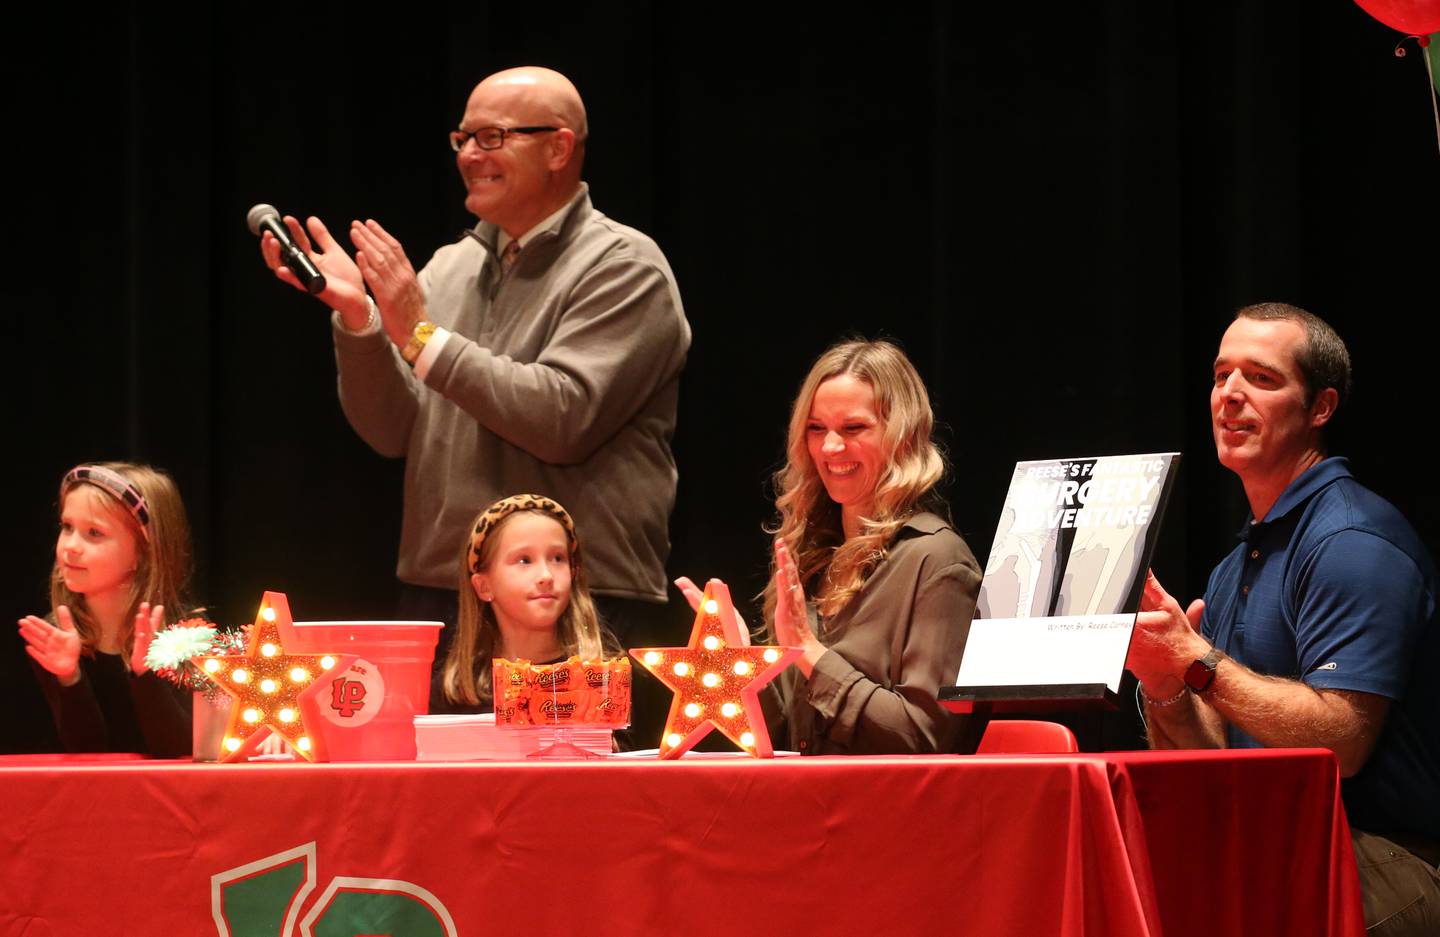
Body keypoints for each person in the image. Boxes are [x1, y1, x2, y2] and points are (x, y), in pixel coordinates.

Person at [257, 66, 691, 700]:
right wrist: (362, 321)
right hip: (444, 599)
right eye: (461, 138)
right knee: (439, 799)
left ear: (559, 147)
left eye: (491, 137)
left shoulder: (625, 267)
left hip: (574, 606)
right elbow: (394, 432)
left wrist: (422, 336)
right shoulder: (451, 266)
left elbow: (563, 418)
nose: (468, 155)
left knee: (570, 797)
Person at [1128, 303, 1440, 935]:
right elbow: (1210, 757)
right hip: (1281, 845)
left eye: (1261, 379)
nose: (1230, 396)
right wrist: (1163, 681)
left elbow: (1342, 742)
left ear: (1319, 408)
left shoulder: (1352, 540)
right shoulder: (1238, 559)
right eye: (1221, 377)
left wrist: (1196, 662)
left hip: (1391, 856)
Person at [682, 339, 982, 754]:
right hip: (808, 805)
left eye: (854, 428)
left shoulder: (936, 561)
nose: (830, 447)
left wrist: (811, 652)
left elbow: (925, 736)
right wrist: (740, 662)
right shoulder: (811, 557)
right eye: (816, 428)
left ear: (904, 434)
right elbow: (788, 734)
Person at [17, 463, 194, 756]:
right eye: (67, 527)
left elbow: (179, 749)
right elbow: (88, 751)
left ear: (143, 552)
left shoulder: (187, 632)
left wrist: (145, 673)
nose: (71, 546)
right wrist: (69, 677)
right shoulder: (57, 635)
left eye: (94, 533)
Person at [432, 493, 612, 715]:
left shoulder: (600, 677)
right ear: (484, 586)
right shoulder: (457, 690)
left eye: (557, 558)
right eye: (524, 560)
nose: (546, 575)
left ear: (574, 573)